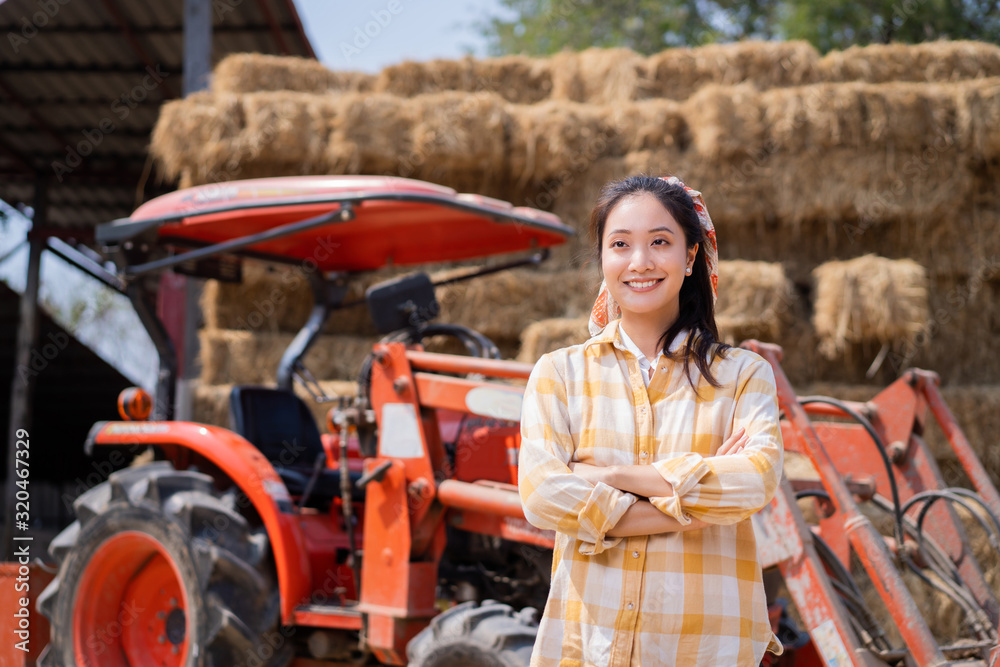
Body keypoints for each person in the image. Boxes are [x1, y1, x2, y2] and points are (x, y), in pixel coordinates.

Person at [518, 175, 784, 666]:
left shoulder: (743, 375)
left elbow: (755, 480)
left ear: (690, 258)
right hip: (588, 648)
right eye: (620, 244)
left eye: (659, 242)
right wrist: (695, 507)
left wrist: (608, 478)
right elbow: (541, 495)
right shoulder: (559, 374)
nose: (639, 262)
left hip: (705, 649)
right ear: (603, 258)